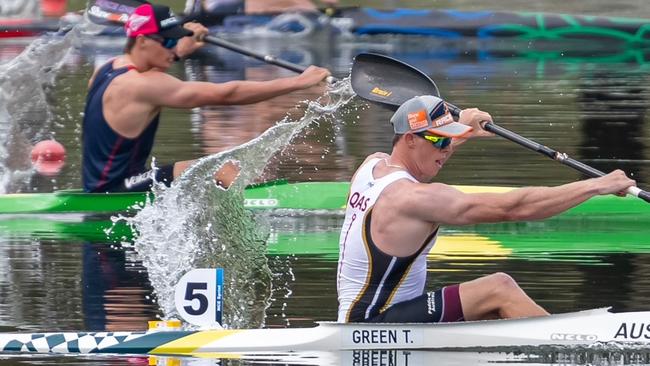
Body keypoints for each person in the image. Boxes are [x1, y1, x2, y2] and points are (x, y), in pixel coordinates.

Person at [336, 95, 637, 323]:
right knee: (499, 288)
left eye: (449, 141)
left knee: (493, 299)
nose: (446, 150)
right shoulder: (413, 198)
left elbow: (421, 159)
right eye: (439, 142)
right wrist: (596, 186)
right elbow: (514, 209)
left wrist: (462, 132)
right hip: (373, 327)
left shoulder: (373, 164)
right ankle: (574, 346)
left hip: (367, 316)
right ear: (410, 140)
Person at [82, 3, 330, 193]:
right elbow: (227, 94)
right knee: (223, 169)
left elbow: (149, 75)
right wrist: (298, 82)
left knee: (211, 169)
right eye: (168, 41)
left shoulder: (107, 68)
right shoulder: (143, 85)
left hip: (105, 184)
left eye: (176, 39)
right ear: (143, 40)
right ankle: (265, 218)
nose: (172, 47)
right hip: (115, 190)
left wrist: (177, 51)